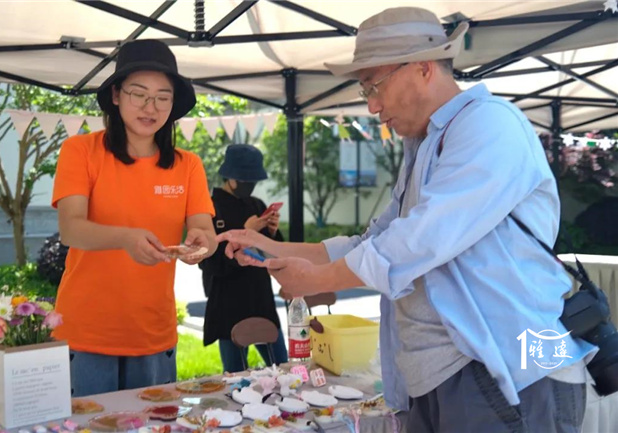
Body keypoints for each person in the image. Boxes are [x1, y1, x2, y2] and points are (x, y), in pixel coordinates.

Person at [217, 7, 597, 432]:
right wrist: (271, 247)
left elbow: (421, 239)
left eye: (374, 85)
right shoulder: (427, 143)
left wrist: (317, 279)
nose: (372, 105)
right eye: (365, 90)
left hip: (509, 370)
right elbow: (376, 240)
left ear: (423, 68)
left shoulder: (489, 123)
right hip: (447, 375)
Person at [51, 39, 217, 397]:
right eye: (138, 94)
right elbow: (70, 228)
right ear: (116, 95)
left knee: (154, 420)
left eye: (162, 97)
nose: (150, 107)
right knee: (89, 422)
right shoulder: (81, 150)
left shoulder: (188, 165)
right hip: (87, 330)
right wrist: (125, 238)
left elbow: (205, 229)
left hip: (153, 332)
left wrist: (202, 244)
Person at [199, 144, 288, 372]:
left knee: (282, 368)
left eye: (253, 181)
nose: (250, 185)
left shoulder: (256, 205)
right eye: (246, 180)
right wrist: (245, 231)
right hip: (228, 303)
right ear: (230, 177)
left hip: (261, 298)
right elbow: (207, 262)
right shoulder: (210, 209)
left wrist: (271, 232)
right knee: (237, 376)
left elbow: (275, 252)